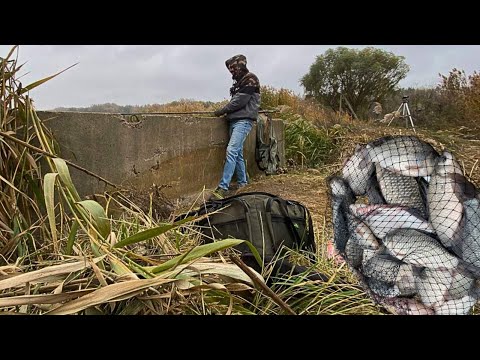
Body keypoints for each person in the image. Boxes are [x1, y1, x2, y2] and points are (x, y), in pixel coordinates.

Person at [209, 54, 261, 200]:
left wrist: (222, 110)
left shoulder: (251, 79)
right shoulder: (239, 82)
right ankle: (243, 184)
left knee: (231, 150)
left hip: (243, 121)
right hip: (234, 120)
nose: (232, 72)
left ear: (240, 66)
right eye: (230, 70)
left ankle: (222, 187)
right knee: (237, 154)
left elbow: (239, 101)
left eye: (233, 69)